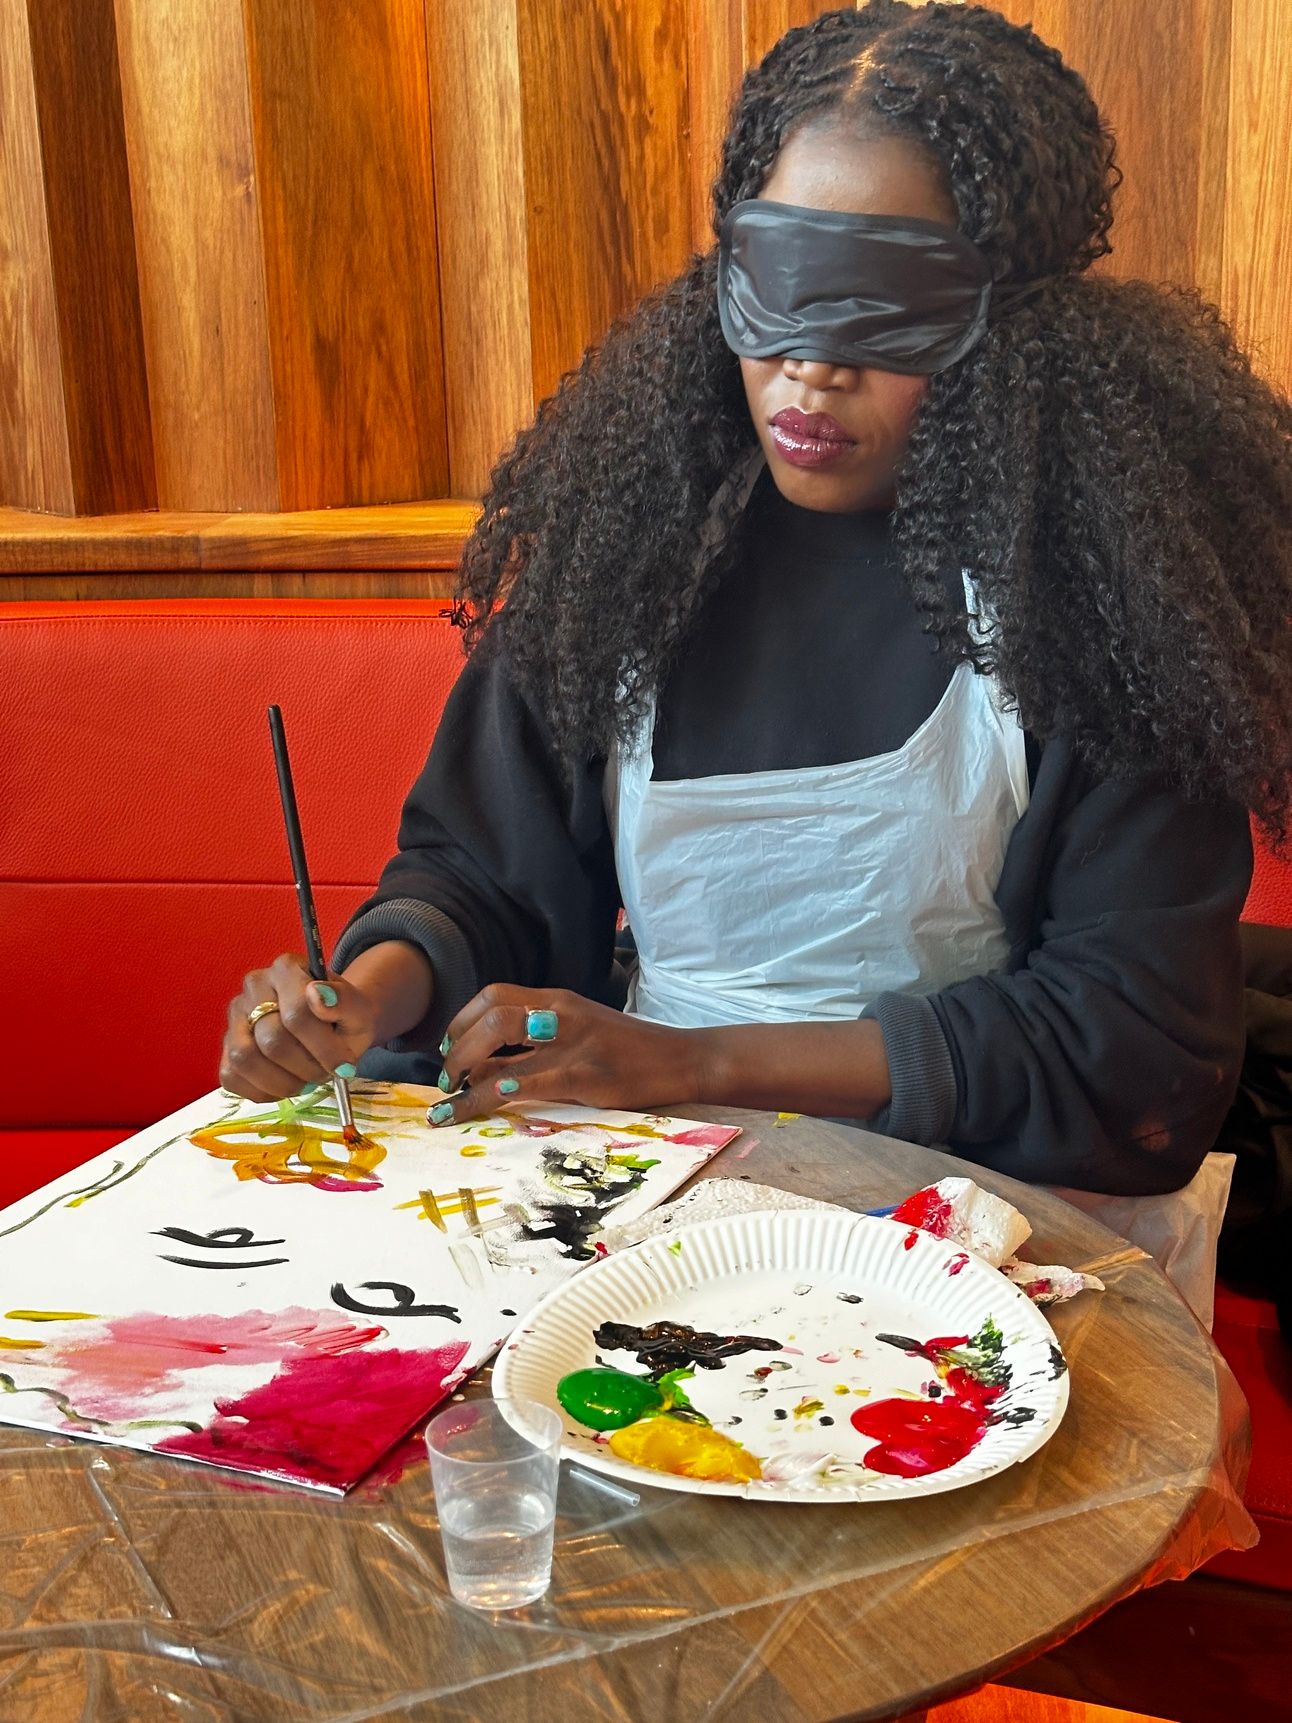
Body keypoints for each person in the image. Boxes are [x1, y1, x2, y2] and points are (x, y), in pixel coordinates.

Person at [220, 1, 1292, 1198]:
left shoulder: (1107, 608)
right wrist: (365, 997)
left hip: (981, 1210)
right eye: (781, 288)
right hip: (641, 1184)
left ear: (1013, 323)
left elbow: (1132, 1050)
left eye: (884, 305)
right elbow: (483, 879)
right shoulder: (625, 563)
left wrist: (694, 1061)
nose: (813, 366)